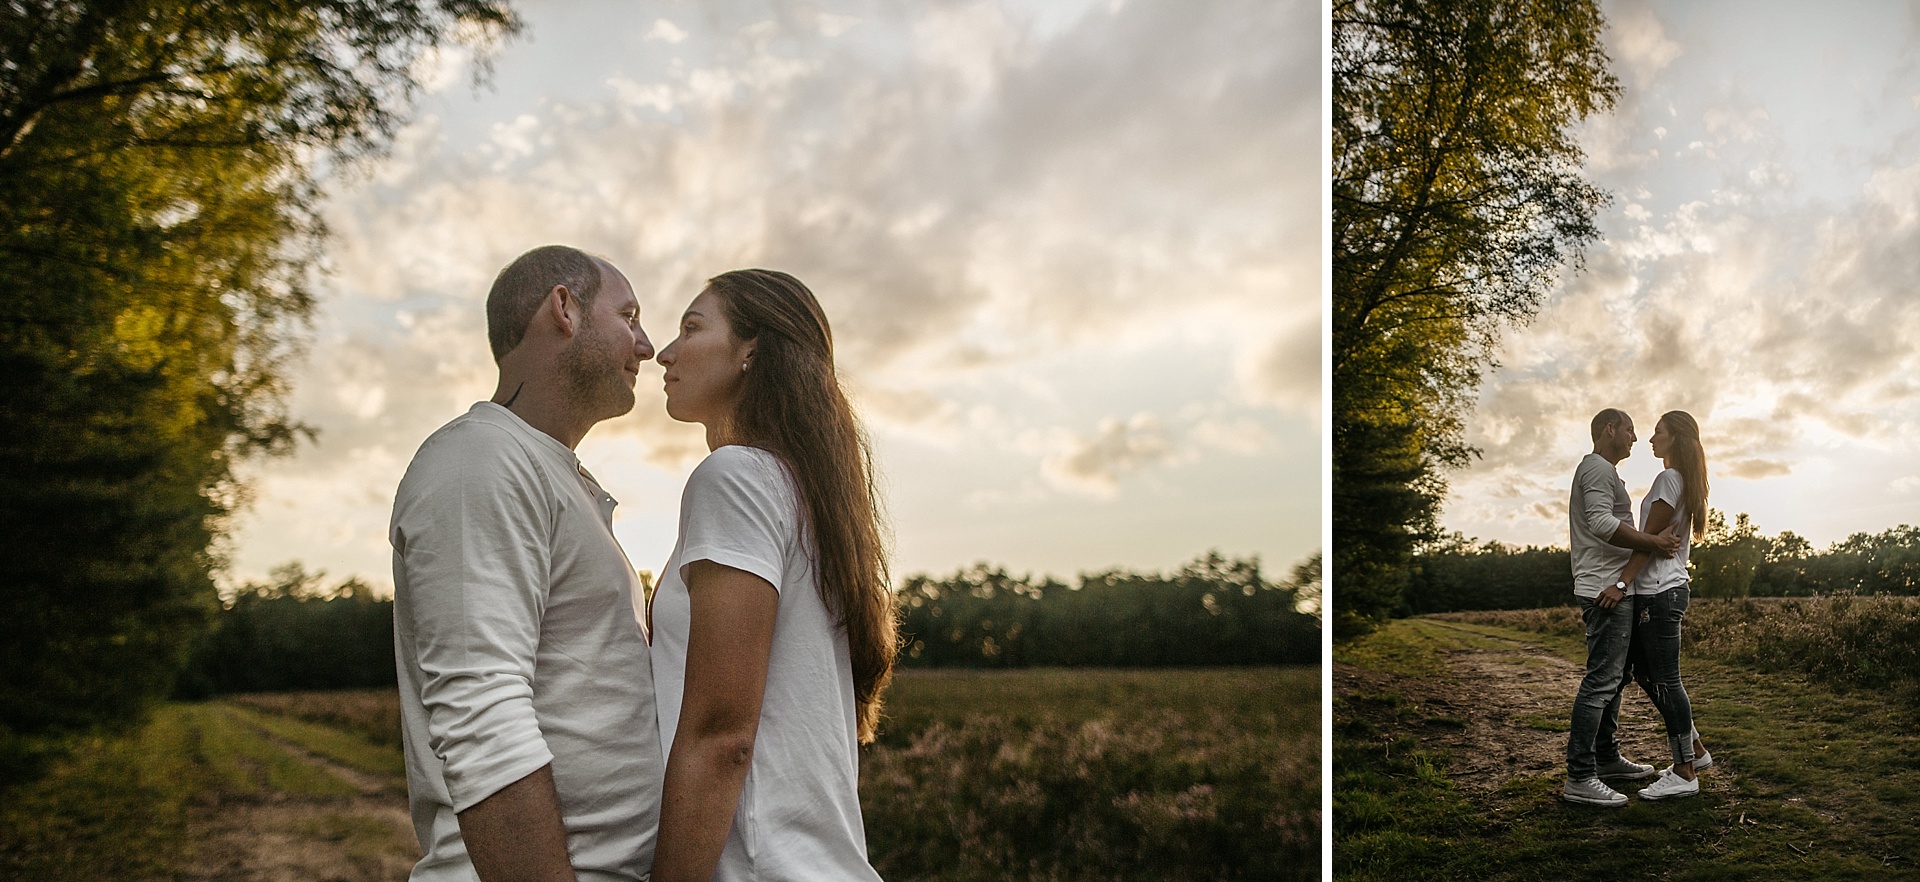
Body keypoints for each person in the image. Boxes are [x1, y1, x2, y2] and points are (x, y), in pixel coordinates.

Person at [390, 245, 663, 881]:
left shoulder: (548, 474)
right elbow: (481, 715)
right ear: (563, 309)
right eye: (629, 315)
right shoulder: (479, 459)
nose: (648, 345)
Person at [646, 269, 894, 882]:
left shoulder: (736, 478)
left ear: (752, 348)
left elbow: (722, 734)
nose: (664, 353)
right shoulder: (808, 495)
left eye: (691, 327)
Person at [1563, 408, 1682, 808]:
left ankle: (1607, 757)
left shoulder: (1603, 471)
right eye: (1629, 429)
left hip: (1613, 586)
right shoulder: (1596, 467)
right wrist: (1653, 543)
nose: (1635, 437)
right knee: (1601, 680)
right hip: (1604, 589)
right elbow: (1598, 523)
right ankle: (1579, 776)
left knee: (1615, 678)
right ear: (1609, 429)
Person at [1610, 410, 1714, 801]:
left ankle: (1685, 771)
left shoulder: (1669, 479)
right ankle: (1696, 751)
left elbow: (1646, 542)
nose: (1651, 439)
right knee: (1642, 670)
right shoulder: (1680, 480)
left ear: (1676, 438)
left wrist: (1621, 583)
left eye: (1658, 432)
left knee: (1667, 678)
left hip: (1660, 591)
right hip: (1661, 591)